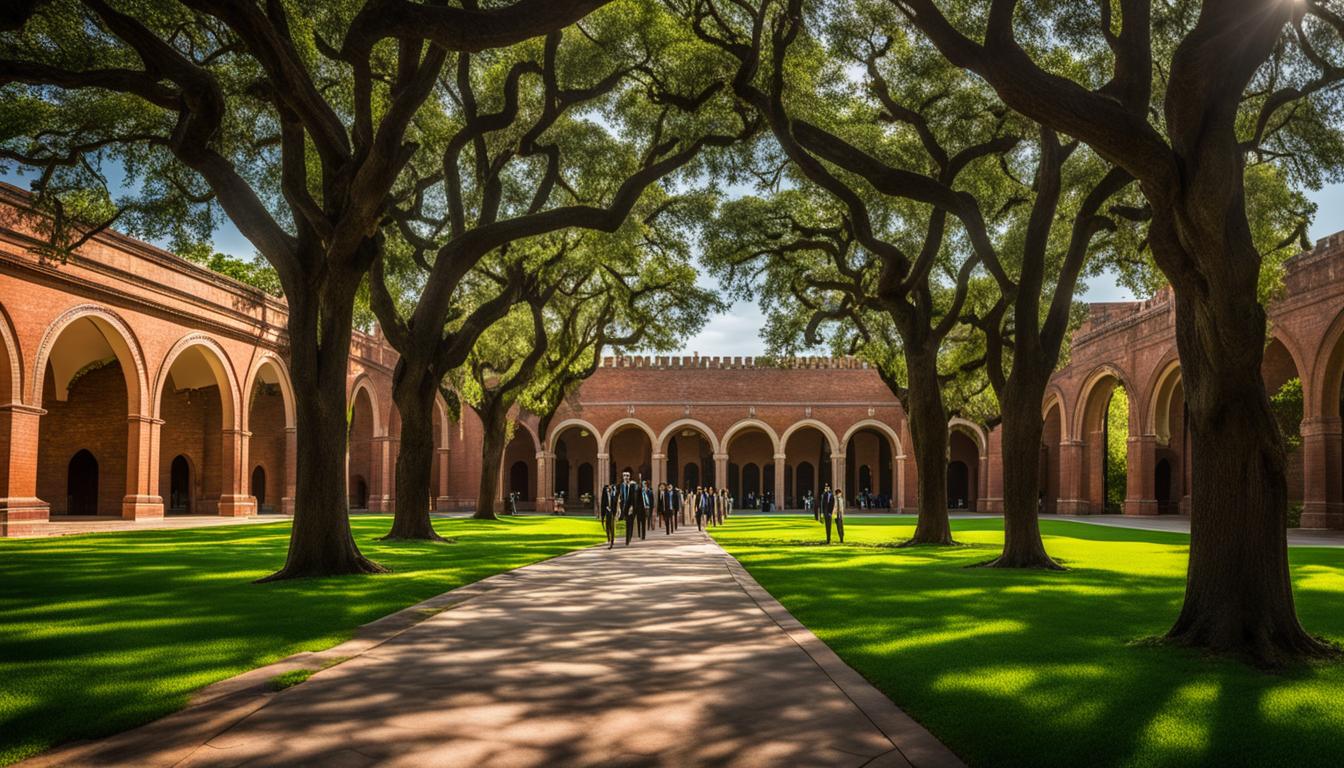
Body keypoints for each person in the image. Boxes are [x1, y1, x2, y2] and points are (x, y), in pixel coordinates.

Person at [600, 482, 618, 549]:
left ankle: (612, 541)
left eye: (609, 488)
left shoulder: (613, 495)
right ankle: (609, 539)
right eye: (607, 488)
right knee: (607, 528)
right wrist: (602, 515)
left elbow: (615, 504)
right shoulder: (604, 496)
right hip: (607, 513)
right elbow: (602, 505)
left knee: (612, 527)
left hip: (612, 513)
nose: (608, 489)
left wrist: (615, 513)